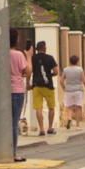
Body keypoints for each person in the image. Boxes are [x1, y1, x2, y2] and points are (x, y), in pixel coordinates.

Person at [8, 30, 31, 162]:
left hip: (3, 91)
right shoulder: (18, 55)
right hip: (16, 90)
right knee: (14, 122)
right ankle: (13, 152)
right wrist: (28, 56)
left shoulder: (0, 54)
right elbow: (27, 71)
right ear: (16, 40)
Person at [31, 41, 59, 136]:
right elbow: (56, 71)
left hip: (36, 86)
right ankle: (50, 128)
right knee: (51, 107)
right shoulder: (50, 58)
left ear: (37, 49)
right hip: (48, 86)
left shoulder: (33, 58)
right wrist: (49, 75)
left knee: (38, 108)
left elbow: (30, 70)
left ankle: (41, 129)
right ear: (44, 48)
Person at [60, 55, 85, 129]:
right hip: (78, 90)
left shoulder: (66, 70)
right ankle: (77, 125)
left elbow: (61, 81)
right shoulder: (80, 70)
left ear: (70, 61)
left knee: (69, 107)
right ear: (77, 61)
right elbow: (84, 81)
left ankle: (69, 118)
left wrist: (64, 88)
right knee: (78, 107)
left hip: (68, 91)